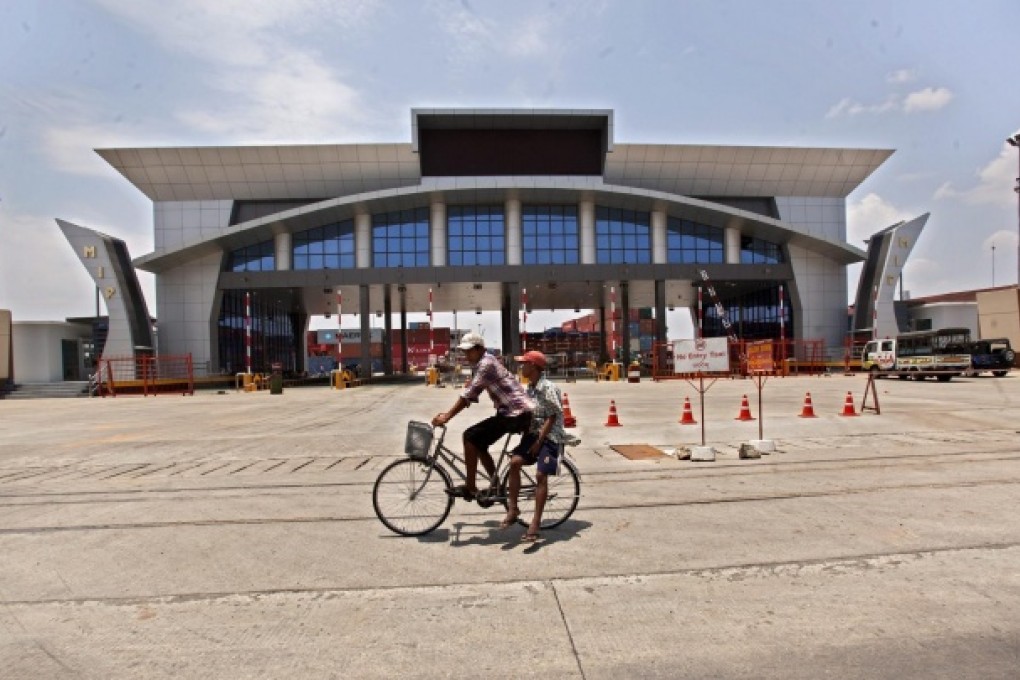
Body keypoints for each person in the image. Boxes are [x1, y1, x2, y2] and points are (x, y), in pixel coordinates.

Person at [431, 332, 534, 501]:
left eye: (469, 351)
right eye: (464, 351)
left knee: (469, 436)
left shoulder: (486, 364)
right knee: (479, 443)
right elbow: (473, 389)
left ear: (479, 349)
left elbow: (470, 395)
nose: (466, 355)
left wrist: (447, 416)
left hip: (515, 413)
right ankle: (496, 486)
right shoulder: (485, 362)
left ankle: (470, 487)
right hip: (511, 412)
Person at [502, 350, 565, 543]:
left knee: (540, 475)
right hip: (533, 435)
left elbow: (551, 417)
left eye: (524, 364)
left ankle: (535, 524)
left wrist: (539, 442)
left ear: (534, 366)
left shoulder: (548, 388)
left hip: (550, 436)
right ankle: (513, 509)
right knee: (514, 463)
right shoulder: (529, 388)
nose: (521, 367)